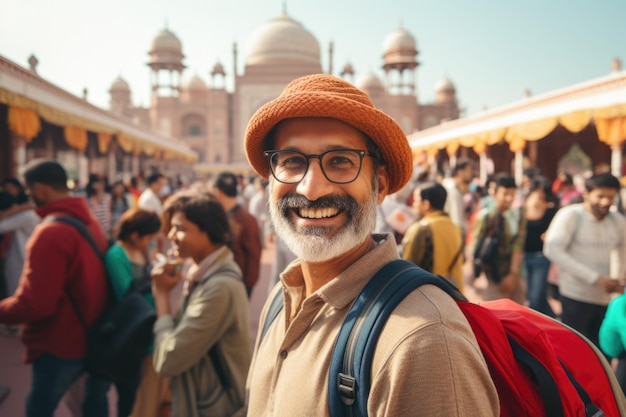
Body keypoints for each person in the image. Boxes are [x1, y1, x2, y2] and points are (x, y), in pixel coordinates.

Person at [243, 74, 498, 416]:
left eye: (340, 161)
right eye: (292, 161)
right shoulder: (281, 298)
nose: (311, 188)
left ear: (379, 186)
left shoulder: (423, 340)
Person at [0, 159, 110, 417]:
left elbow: (36, 303)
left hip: (60, 341)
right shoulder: (89, 221)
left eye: (29, 191)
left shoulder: (51, 232)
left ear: (40, 189)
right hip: (93, 334)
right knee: (91, 407)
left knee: (39, 409)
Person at [151, 190, 251, 417]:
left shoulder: (219, 287)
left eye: (181, 228)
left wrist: (161, 295)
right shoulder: (202, 272)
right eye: (172, 228)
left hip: (213, 407)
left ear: (210, 232)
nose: (172, 236)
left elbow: (168, 360)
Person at [83, 208, 163, 417]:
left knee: (130, 391)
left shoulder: (143, 250)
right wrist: (156, 278)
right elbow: (125, 292)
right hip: (120, 329)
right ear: (135, 235)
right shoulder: (117, 254)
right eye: (148, 237)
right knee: (99, 389)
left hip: (140, 330)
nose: (150, 242)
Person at [544, 172, 626, 348]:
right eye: (600, 196)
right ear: (586, 194)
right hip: (576, 294)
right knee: (573, 349)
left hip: (606, 297)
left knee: (602, 351)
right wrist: (595, 278)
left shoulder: (618, 221)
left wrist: (616, 279)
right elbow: (552, 249)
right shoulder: (571, 215)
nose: (605, 202)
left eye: (611, 197)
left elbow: (620, 252)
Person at [470, 173, 526, 304]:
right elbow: (475, 246)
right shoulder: (485, 216)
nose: (508, 199)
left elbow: (518, 246)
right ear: (495, 193)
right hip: (492, 274)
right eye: (505, 194)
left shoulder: (518, 216)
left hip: (515, 273)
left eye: (512, 195)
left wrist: (513, 274)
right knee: (494, 314)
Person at [402, 181, 464, 292]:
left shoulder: (419, 229)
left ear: (426, 204)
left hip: (428, 296)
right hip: (452, 292)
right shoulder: (455, 228)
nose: (414, 204)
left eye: (416, 200)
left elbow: (407, 270)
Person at [213, 172, 262, 297]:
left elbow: (253, 254)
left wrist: (248, 286)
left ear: (218, 192)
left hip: (237, 283)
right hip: (220, 281)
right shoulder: (222, 215)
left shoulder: (245, 219)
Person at [522, 176, 558, 317]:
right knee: (534, 294)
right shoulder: (523, 208)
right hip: (523, 256)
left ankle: (537, 323)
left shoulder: (552, 211)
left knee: (536, 296)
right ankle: (552, 319)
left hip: (541, 257)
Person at [0, 192, 40, 299]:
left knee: (17, 297)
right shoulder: (24, 214)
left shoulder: (26, 216)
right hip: (18, 261)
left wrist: (13, 211)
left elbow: (1, 226)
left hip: (21, 261)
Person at [442, 159, 474, 236]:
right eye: (468, 171)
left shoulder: (458, 189)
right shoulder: (452, 190)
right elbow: (456, 218)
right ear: (460, 172)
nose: (471, 174)